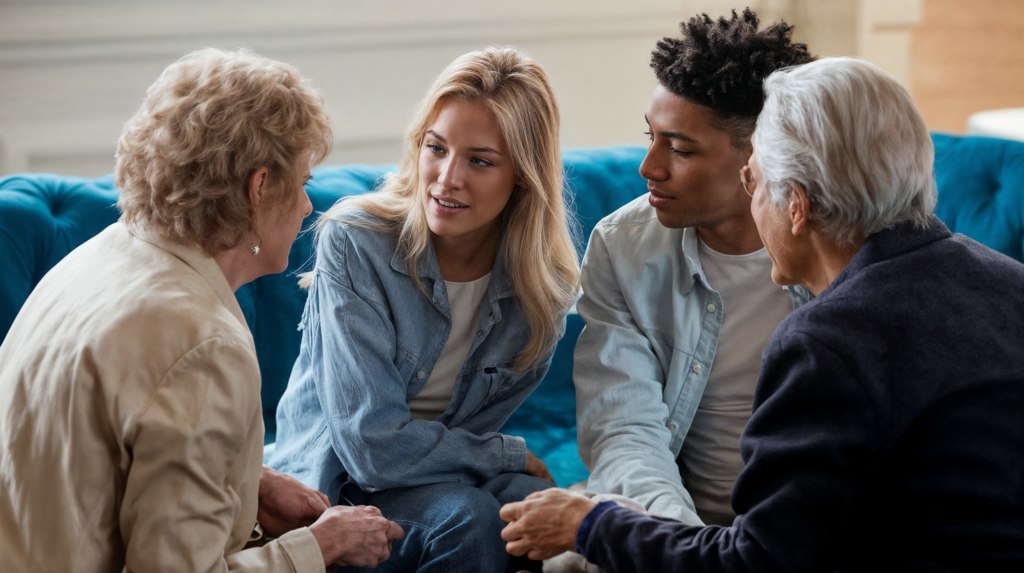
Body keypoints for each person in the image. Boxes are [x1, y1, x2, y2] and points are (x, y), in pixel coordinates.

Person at [500, 56, 1024, 572]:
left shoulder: (828, 341)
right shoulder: (1010, 281)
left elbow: (758, 562)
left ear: (795, 206)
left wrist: (593, 527)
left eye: (757, 184)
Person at [0, 48, 404, 572]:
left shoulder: (102, 253)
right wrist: (321, 547)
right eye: (303, 183)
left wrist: (249, 480)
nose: (308, 206)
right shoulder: (204, 345)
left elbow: (98, 456)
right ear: (259, 189)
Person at [267, 46, 580, 573]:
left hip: (432, 482)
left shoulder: (541, 292)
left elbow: (467, 438)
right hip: (332, 489)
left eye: (480, 161)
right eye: (436, 148)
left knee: (544, 515)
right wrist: (507, 455)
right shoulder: (356, 242)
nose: (446, 178)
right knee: (470, 518)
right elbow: (370, 449)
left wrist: (509, 471)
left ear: (522, 176)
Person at [572, 7, 815, 530]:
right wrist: (682, 544)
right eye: (652, 137)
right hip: (678, 528)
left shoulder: (841, 248)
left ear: (761, 157)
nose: (649, 168)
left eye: (679, 148)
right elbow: (623, 429)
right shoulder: (622, 247)